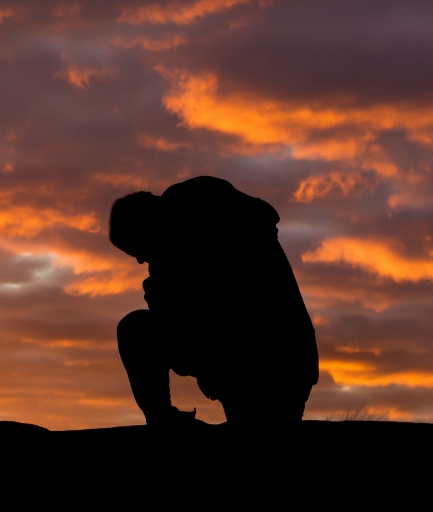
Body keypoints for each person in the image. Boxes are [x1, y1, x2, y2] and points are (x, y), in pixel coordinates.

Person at [109, 176, 318, 426]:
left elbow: (212, 304)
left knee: (135, 329)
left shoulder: (198, 218)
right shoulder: (177, 248)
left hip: (272, 359)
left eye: (135, 248)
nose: (140, 261)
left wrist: (163, 293)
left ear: (144, 226)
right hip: (267, 364)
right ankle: (162, 419)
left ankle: (162, 421)